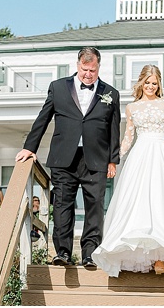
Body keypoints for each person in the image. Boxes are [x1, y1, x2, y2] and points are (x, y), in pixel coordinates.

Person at [14, 47, 120, 268]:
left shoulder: (111, 93)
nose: (88, 74)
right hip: (64, 158)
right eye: (84, 69)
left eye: (92, 70)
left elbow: (114, 129)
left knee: (95, 207)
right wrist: (29, 147)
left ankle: (90, 254)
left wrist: (113, 159)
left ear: (98, 67)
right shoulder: (58, 87)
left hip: (96, 159)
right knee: (62, 205)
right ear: (77, 64)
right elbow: (43, 118)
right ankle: (62, 252)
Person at [91, 65, 164, 277]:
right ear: (141, 83)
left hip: (161, 156)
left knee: (162, 203)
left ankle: (162, 257)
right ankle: (139, 254)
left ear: (159, 85)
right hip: (139, 156)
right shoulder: (132, 108)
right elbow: (128, 138)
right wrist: (113, 159)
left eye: (154, 83)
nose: (150, 86)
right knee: (137, 204)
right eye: (147, 82)